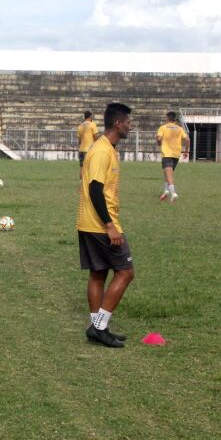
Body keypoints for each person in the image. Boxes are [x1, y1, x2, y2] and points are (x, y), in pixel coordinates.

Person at [77, 103, 135, 348]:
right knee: (125, 272)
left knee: (98, 273)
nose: (131, 126)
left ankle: (98, 327)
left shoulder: (107, 148)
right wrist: (110, 225)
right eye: (129, 122)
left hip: (89, 222)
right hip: (101, 224)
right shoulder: (102, 151)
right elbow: (95, 189)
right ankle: (99, 326)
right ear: (118, 124)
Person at [156, 111, 189, 202]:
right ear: (174, 119)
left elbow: (159, 138)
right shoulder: (179, 128)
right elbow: (187, 139)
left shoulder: (163, 127)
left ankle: (173, 193)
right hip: (176, 154)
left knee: (169, 175)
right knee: (167, 173)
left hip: (167, 154)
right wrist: (186, 152)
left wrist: (159, 141)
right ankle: (166, 191)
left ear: (167, 118)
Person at [77, 110, 101, 178]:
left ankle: (82, 184)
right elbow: (96, 137)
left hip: (81, 150)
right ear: (90, 116)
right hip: (89, 150)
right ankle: (88, 184)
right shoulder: (92, 124)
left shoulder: (80, 126)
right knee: (90, 168)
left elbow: (79, 141)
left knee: (82, 168)